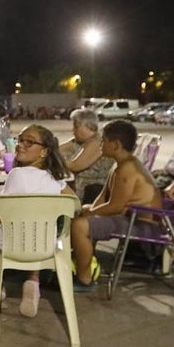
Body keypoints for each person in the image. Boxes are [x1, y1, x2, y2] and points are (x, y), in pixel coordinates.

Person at [0, 124, 77, 317]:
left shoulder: (16, 174)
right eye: (20, 140)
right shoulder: (56, 179)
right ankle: (33, 281)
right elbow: (75, 204)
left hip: (11, 244)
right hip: (45, 245)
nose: (21, 145)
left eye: (30, 142)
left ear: (44, 151)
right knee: (33, 229)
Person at [69, 120, 163, 293]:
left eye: (103, 140)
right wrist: (89, 209)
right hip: (131, 217)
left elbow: (116, 207)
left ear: (116, 145)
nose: (100, 145)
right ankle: (81, 263)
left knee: (79, 226)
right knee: (82, 215)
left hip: (142, 224)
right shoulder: (119, 164)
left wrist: (90, 213)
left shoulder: (127, 168)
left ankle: (84, 279)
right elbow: (104, 196)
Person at [59, 107, 115, 204]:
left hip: (93, 193)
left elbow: (75, 166)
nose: (73, 130)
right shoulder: (80, 141)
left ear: (88, 126)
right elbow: (58, 149)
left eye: (76, 127)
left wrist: (54, 159)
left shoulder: (97, 142)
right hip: (80, 189)